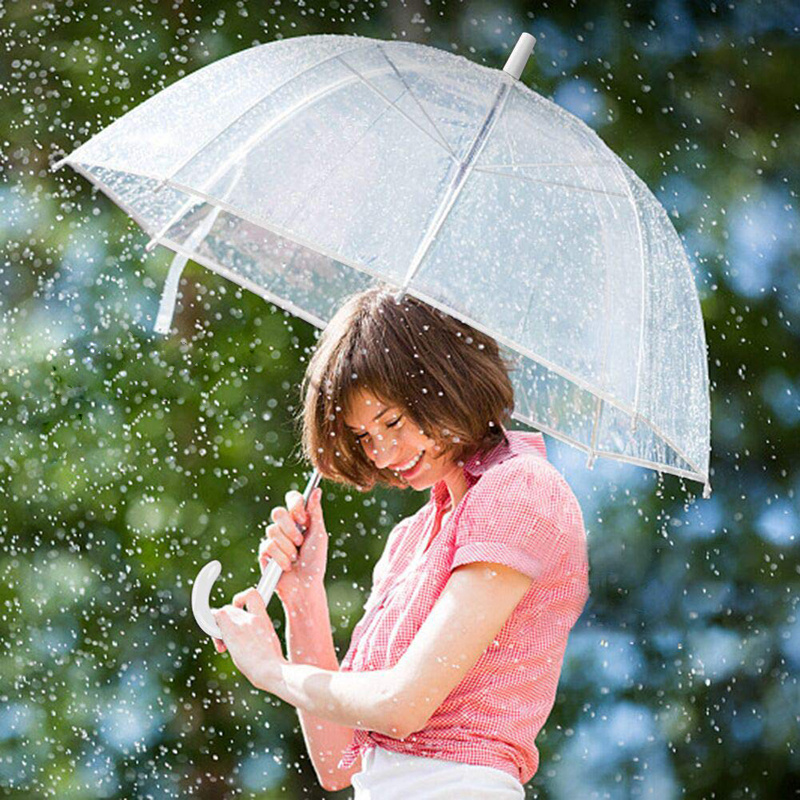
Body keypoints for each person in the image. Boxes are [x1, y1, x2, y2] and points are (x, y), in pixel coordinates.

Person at [211, 287, 590, 798]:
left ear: (445, 382)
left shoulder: (521, 489)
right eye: (363, 435)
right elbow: (337, 761)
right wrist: (303, 597)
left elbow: (401, 705)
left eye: (392, 421)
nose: (384, 452)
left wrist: (271, 670)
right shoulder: (408, 539)